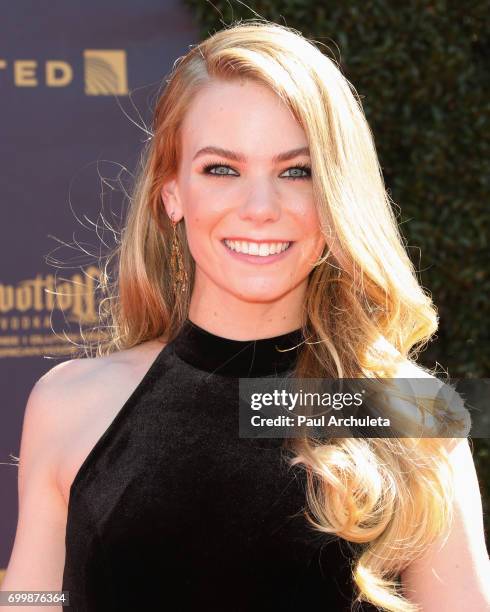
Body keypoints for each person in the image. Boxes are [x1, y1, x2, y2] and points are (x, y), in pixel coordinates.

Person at [2, 19, 490, 612]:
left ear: (337, 195)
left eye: (296, 172)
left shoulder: (414, 411)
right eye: (222, 169)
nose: (260, 208)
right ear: (171, 192)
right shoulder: (72, 403)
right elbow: (31, 597)